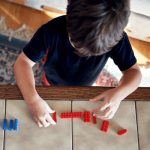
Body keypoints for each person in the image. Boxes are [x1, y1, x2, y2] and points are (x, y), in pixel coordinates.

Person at [14, 0, 142, 128]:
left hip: (86, 83)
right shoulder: (50, 31)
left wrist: (120, 93)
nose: (84, 53)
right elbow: (22, 62)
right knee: (48, 91)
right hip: (52, 79)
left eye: (94, 52)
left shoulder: (118, 38)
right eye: (75, 43)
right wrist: (33, 100)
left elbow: (134, 72)